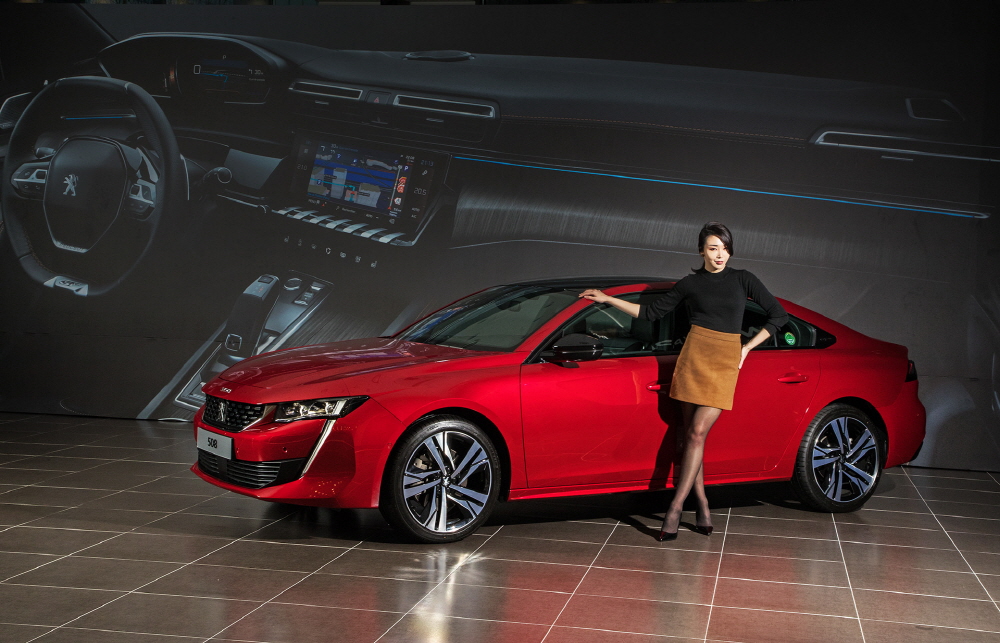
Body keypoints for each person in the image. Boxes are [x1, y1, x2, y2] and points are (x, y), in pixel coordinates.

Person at [579, 222, 787, 541]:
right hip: (693, 358)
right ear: (701, 251)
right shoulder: (690, 284)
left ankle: (675, 508)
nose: (720, 255)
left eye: (725, 248)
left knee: (696, 433)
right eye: (714, 248)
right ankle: (702, 505)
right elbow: (649, 313)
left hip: (724, 361)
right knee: (692, 438)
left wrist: (746, 348)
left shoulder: (743, 278)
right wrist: (608, 300)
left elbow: (778, 316)